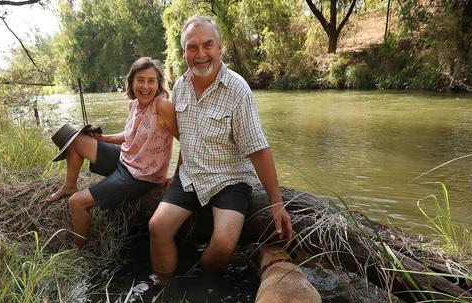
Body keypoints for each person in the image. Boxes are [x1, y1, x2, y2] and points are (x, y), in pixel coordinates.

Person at [148, 15, 293, 276]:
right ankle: (167, 289)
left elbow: (258, 150)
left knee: (224, 244)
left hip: (231, 178)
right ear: (184, 53)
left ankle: (201, 281)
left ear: (220, 48)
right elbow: (188, 136)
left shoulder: (238, 90)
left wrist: (276, 202)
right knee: (157, 227)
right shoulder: (180, 86)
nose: (200, 53)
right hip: (190, 175)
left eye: (208, 45)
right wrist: (177, 172)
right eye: (192, 47)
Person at [47, 57, 178, 249]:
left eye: (151, 81)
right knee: (77, 140)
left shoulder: (162, 106)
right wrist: (103, 138)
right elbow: (130, 134)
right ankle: (69, 185)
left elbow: (185, 139)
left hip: (141, 176)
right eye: (140, 80)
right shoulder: (133, 105)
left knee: (77, 203)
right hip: (124, 159)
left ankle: (78, 251)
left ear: (158, 84)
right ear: (131, 82)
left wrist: (177, 175)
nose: (145, 86)